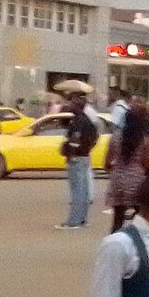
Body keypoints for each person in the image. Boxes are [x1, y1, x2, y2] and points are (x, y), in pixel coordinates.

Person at [108, 100, 149, 232]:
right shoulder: (144, 139)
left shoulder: (115, 137)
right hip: (137, 182)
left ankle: (114, 245)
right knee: (141, 219)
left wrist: (117, 169)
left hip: (118, 182)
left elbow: (107, 162)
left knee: (117, 219)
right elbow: (146, 163)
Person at [56, 95, 98, 231]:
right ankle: (82, 219)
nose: (69, 106)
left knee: (77, 190)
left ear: (78, 106)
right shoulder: (87, 121)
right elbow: (95, 137)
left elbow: (75, 138)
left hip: (77, 158)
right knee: (84, 190)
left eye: (72, 104)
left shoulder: (78, 122)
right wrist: (88, 148)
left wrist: (71, 153)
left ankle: (73, 221)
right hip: (85, 156)